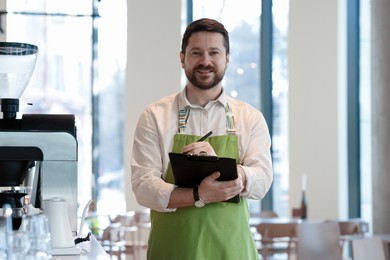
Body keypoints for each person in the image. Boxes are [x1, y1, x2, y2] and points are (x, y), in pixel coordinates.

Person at [131, 18, 273, 260]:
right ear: (182, 58)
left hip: (233, 252)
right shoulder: (154, 116)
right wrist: (200, 195)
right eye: (196, 52)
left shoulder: (250, 118)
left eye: (214, 52)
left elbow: (263, 180)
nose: (205, 61)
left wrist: (230, 172)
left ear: (227, 58)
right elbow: (143, 187)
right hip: (173, 252)